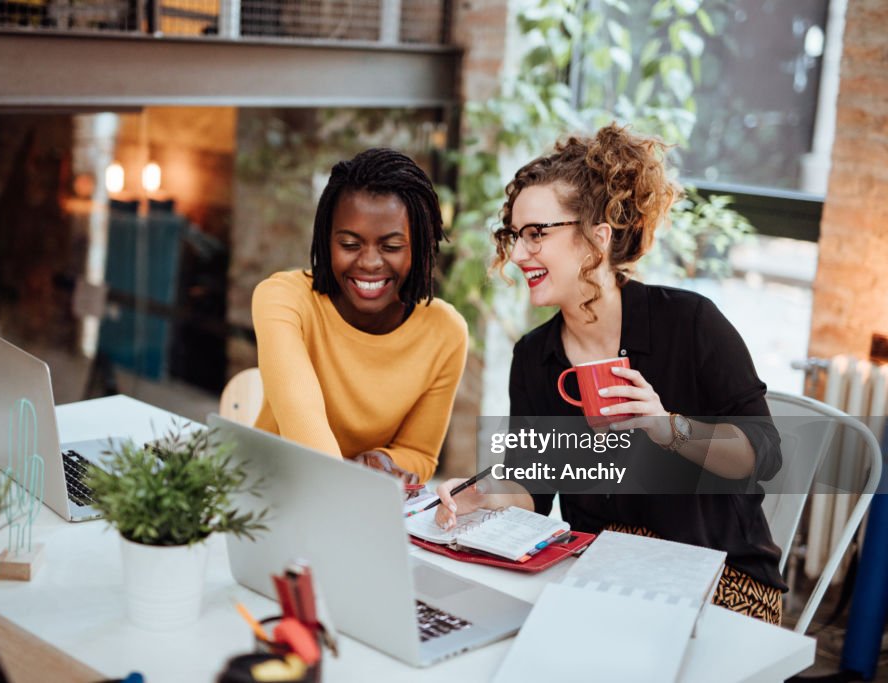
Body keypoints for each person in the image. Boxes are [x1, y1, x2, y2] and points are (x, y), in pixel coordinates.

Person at [436, 124, 787, 624]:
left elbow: (762, 455)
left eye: (536, 234)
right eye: (515, 236)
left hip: (721, 577)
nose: (517, 254)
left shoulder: (689, 324)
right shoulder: (535, 357)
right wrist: (487, 496)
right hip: (606, 572)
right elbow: (536, 493)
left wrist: (668, 427)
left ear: (596, 240)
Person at [252, 148, 467, 484]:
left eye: (392, 247)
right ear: (326, 241)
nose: (369, 262)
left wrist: (381, 461)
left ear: (421, 247)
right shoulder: (284, 299)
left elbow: (419, 453)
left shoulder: (445, 331)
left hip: (361, 501)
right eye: (350, 244)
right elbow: (301, 416)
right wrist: (350, 479)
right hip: (271, 489)